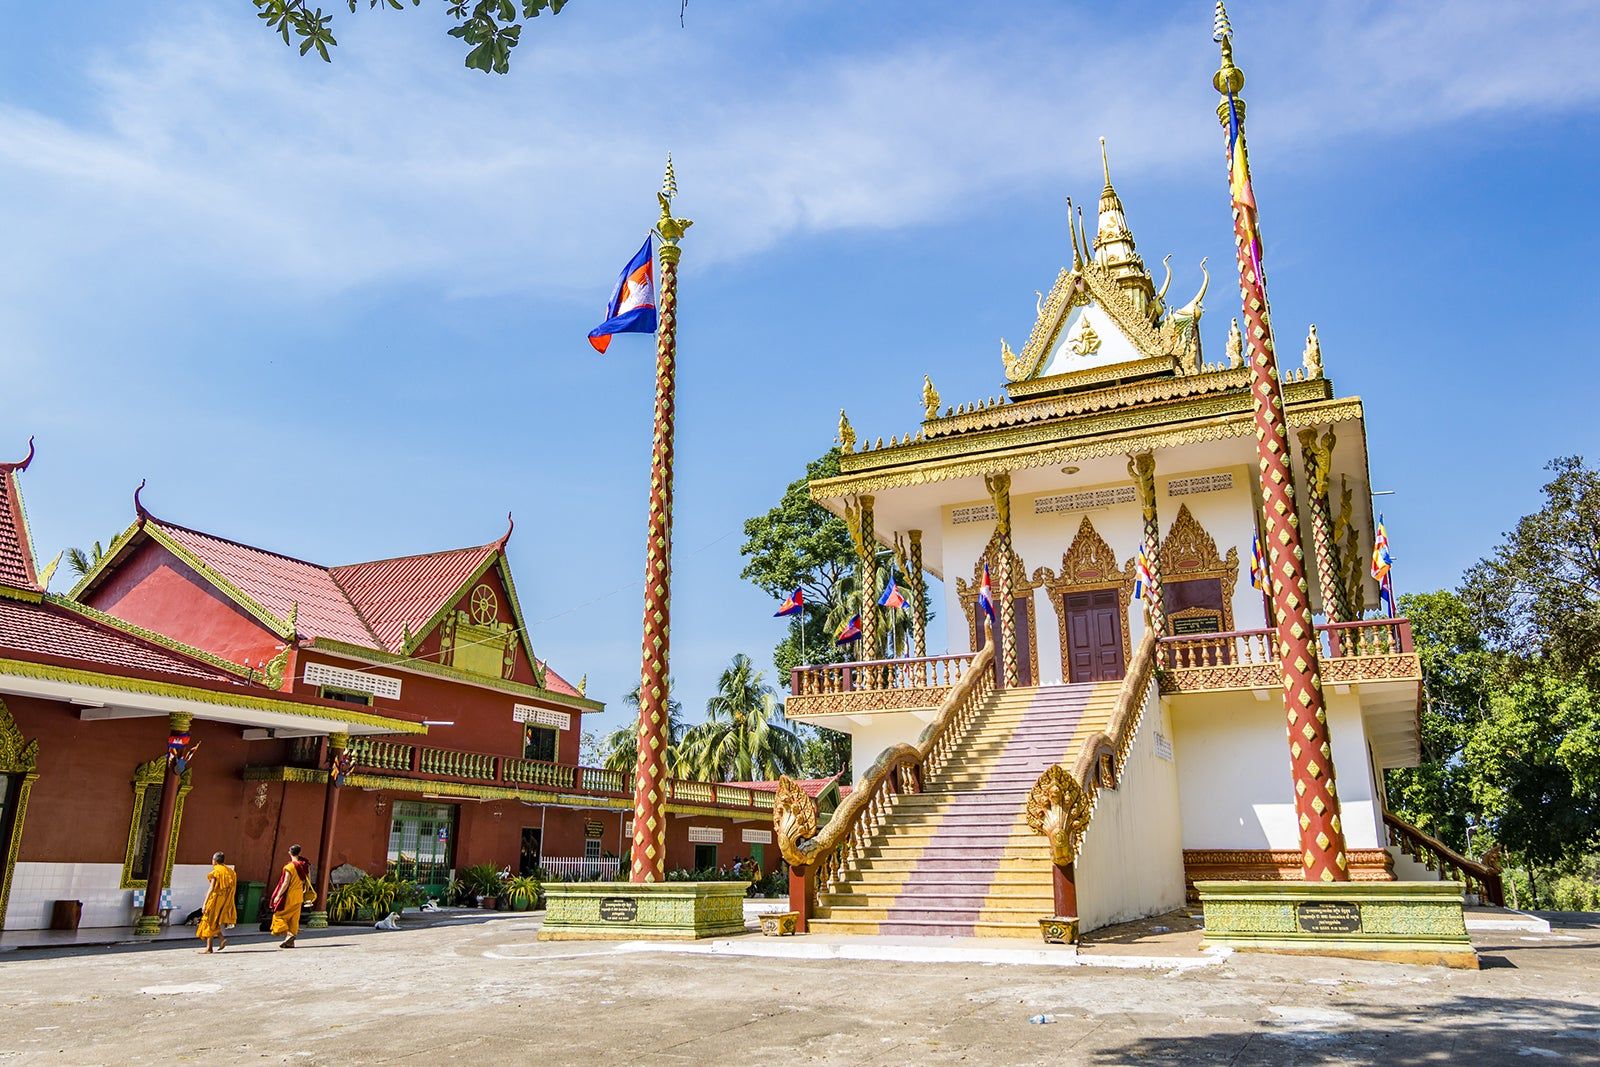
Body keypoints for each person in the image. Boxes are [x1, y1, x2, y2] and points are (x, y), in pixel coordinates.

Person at [268, 844, 314, 949]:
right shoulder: (305, 865)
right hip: (299, 895)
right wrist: (305, 891)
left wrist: (278, 895)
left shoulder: (289, 867)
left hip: (289, 895)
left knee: (279, 916)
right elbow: (308, 881)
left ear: (290, 852)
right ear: (299, 853)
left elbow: (285, 883)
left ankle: (289, 934)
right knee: (294, 918)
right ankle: (290, 942)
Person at [197, 851, 237, 953]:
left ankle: (220, 939)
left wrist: (205, 903)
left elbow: (211, 888)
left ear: (214, 861)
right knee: (213, 920)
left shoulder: (216, 872)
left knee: (209, 919)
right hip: (224, 900)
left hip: (215, 899)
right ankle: (210, 947)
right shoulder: (229, 871)